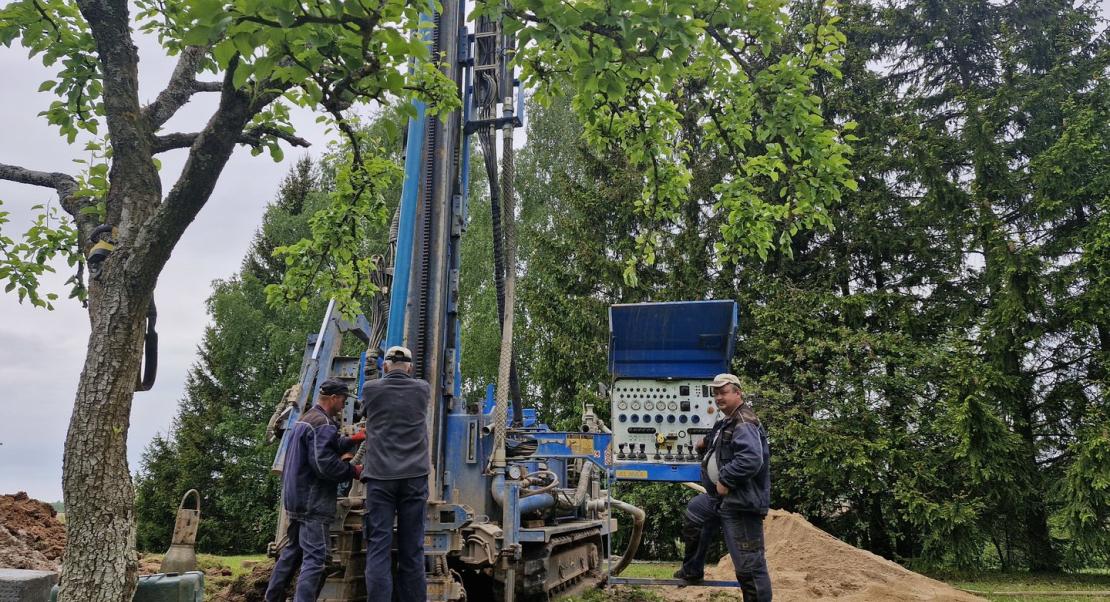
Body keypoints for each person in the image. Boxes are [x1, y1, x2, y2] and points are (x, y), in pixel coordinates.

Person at [674, 373, 772, 601]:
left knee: (749, 566)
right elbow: (715, 439)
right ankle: (693, 569)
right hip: (720, 500)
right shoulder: (727, 420)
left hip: (741, 503)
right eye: (715, 393)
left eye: (723, 392)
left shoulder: (744, 422)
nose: (718, 397)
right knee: (695, 513)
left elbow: (750, 458)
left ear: (738, 393)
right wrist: (703, 445)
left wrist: (726, 480)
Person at [266, 378, 364, 602]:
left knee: (292, 553)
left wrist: (350, 440)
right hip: (313, 502)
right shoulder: (324, 423)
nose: (343, 405)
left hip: (296, 498)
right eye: (342, 400)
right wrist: (353, 471)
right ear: (333, 398)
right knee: (317, 559)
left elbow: (324, 446)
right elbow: (324, 464)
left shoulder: (307, 419)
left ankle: (272, 598)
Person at [361, 345, 431, 602]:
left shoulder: (371, 389)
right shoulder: (422, 389)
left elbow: (363, 411)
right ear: (410, 367)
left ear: (385, 366)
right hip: (414, 477)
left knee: (378, 547)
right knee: (412, 549)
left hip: (380, 479)